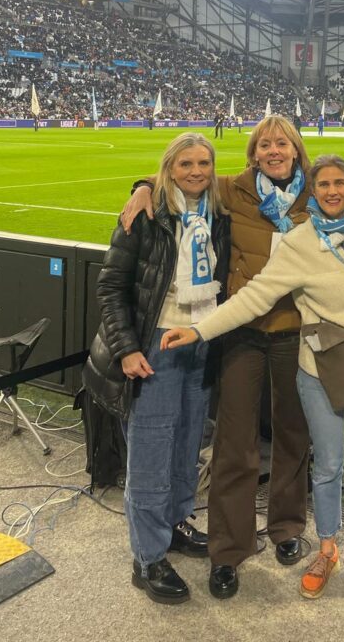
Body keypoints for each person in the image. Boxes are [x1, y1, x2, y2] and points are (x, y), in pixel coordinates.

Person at [161, 155, 344, 605]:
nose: (332, 191)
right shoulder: (300, 241)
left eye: (340, 183)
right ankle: (326, 550)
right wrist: (199, 329)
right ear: (313, 191)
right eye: (323, 185)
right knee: (326, 467)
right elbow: (255, 296)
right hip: (322, 370)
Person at [121, 116, 312, 600]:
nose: (273, 150)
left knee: (291, 435)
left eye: (282, 143)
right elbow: (182, 178)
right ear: (253, 153)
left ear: (296, 149)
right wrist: (142, 187)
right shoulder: (232, 190)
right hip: (237, 331)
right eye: (264, 144)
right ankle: (228, 551)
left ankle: (287, 528)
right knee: (232, 443)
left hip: (293, 333)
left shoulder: (316, 194)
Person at [83, 133, 231, 605]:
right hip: (154, 347)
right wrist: (127, 349)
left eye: (203, 162)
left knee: (186, 445)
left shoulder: (219, 213)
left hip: (199, 343)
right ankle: (147, 558)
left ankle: (174, 523)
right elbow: (110, 287)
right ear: (168, 168)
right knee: (150, 454)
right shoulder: (146, 215)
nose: (196, 171)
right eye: (185, 163)